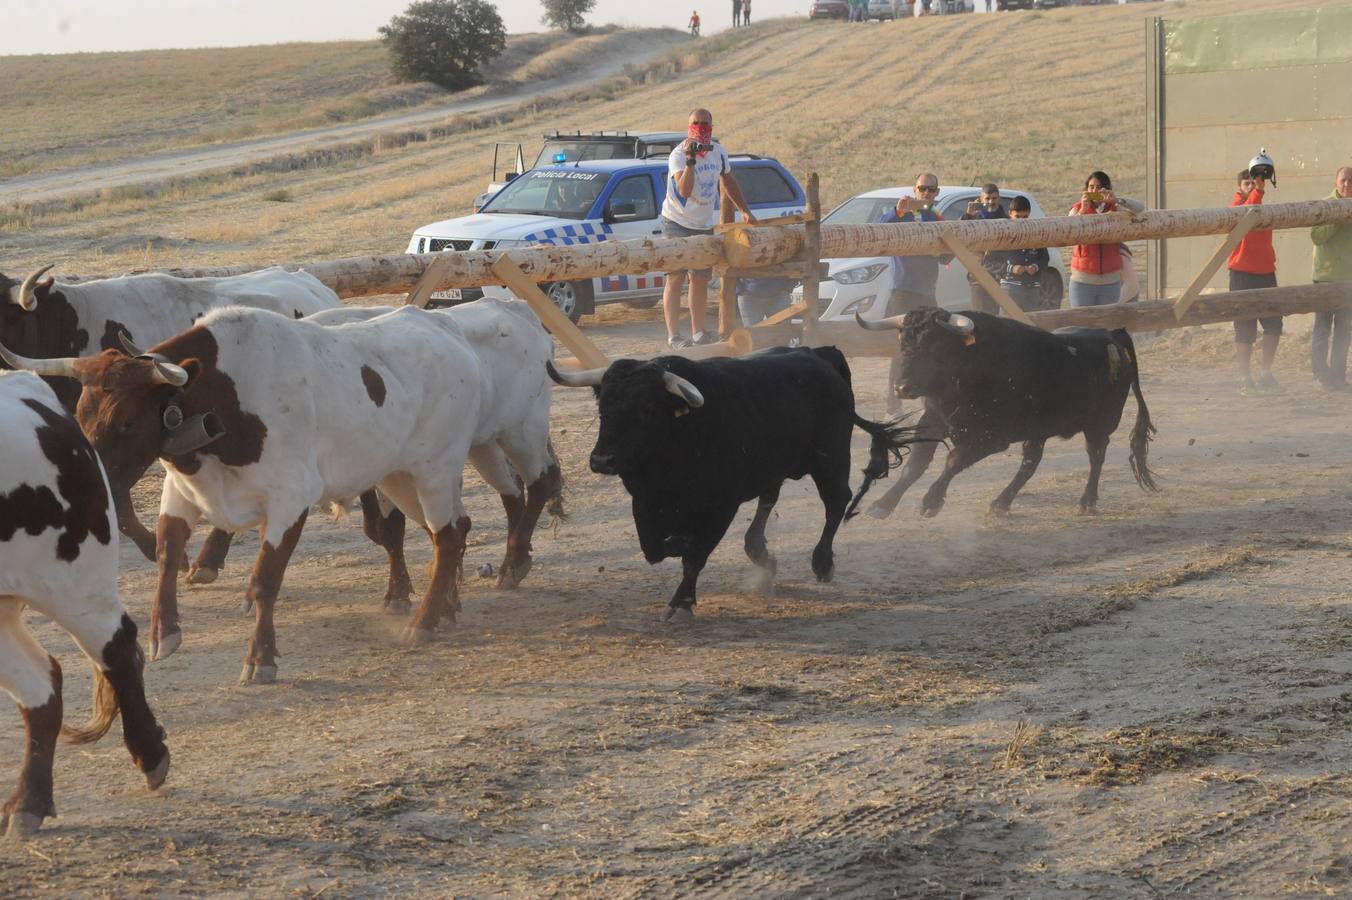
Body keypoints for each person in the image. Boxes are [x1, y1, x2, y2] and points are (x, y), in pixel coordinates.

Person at [660, 108, 757, 349]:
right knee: (675, 277)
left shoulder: (719, 153)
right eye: (696, 123)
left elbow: (728, 182)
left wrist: (744, 209)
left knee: (700, 278)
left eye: (705, 124)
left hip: (702, 223)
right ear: (688, 125)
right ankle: (673, 336)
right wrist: (691, 161)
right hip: (677, 222)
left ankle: (698, 332)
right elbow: (683, 190)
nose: (701, 128)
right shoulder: (678, 156)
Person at [878, 173, 954, 408]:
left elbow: (948, 255)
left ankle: (929, 406)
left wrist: (935, 250)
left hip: (926, 292)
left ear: (937, 193)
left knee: (930, 349)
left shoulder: (935, 217)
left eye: (931, 190)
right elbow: (879, 230)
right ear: (914, 189)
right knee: (900, 351)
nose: (926, 193)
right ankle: (893, 407)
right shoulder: (900, 213)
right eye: (923, 189)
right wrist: (897, 212)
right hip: (902, 290)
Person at [1227, 165, 1281, 395]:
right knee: (1245, 329)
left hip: (1266, 272)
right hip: (1242, 273)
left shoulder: (1261, 206)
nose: (1252, 186)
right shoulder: (1235, 208)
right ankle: (1244, 377)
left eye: (1255, 182)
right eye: (1247, 183)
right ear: (1239, 187)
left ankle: (1265, 373)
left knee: (1274, 325)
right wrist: (1257, 192)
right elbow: (1249, 212)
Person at [1311, 166, 1352, 391]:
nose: (1347, 184)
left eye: (1350, 181)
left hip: (1348, 280)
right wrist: (1337, 219)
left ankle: (1338, 377)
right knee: (1322, 329)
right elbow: (1316, 237)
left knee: (1344, 331)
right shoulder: (1325, 205)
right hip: (1325, 278)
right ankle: (1320, 374)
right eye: (1343, 180)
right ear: (1336, 183)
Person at [1067, 170, 1124, 307]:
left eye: (1099, 188)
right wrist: (1082, 211)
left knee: (1107, 325)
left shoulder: (1116, 208)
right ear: (1086, 190)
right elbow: (1068, 231)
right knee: (1081, 325)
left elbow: (1139, 208)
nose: (1094, 190)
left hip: (1111, 281)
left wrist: (1115, 200)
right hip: (1082, 280)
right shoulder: (1077, 209)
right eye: (1091, 187)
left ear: (1107, 189)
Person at [991, 196, 1049, 313]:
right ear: (1010, 214)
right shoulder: (1003, 235)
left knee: (1031, 325)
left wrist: (1035, 267)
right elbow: (990, 262)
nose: (1021, 220)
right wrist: (1011, 268)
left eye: (1025, 217)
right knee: (1009, 326)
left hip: (1032, 286)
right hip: (1010, 287)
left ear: (1029, 214)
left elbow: (1044, 258)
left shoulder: (1036, 234)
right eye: (1017, 217)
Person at [959, 182, 1008, 314]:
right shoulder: (974, 219)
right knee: (980, 318)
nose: (991, 202)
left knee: (995, 319)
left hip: (998, 276)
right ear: (981, 200)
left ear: (999, 199)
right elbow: (960, 233)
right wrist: (968, 215)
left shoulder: (1006, 219)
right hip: (978, 277)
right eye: (987, 199)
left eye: (994, 198)